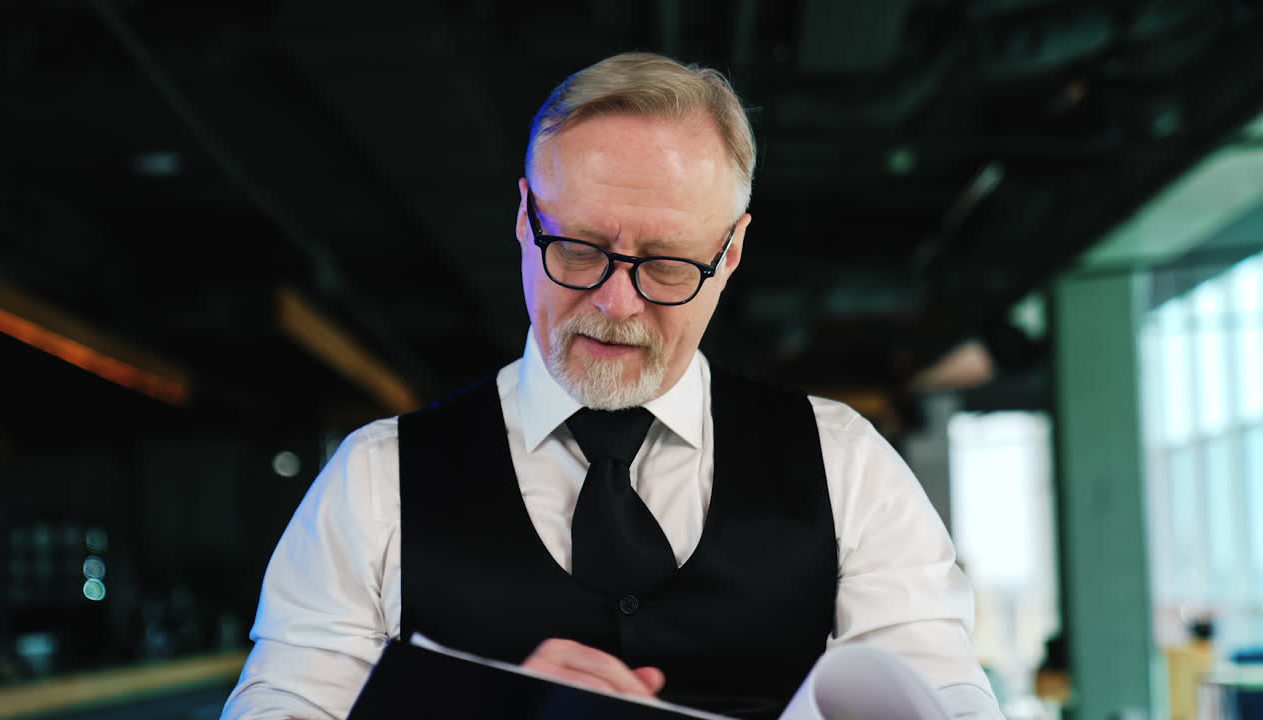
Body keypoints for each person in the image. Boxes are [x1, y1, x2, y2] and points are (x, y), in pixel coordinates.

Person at [221, 52, 1002, 720]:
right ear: (525, 218)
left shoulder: (845, 467)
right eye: (580, 249)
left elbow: (946, 701)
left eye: (667, 264)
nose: (616, 302)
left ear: (730, 254)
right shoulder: (374, 480)